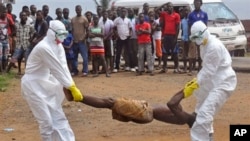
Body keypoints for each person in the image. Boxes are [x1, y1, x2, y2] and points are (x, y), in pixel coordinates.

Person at [21, 20, 83, 141]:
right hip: (32, 85)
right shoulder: (43, 47)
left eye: (64, 35)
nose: (62, 38)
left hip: (46, 84)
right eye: (60, 35)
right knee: (46, 122)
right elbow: (56, 68)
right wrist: (70, 86)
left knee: (58, 117)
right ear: (51, 33)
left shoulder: (58, 46)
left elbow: (63, 66)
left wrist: (72, 85)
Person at [181, 21, 237, 141]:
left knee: (204, 114)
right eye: (194, 38)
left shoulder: (214, 46)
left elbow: (208, 71)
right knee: (200, 106)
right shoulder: (203, 46)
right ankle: (209, 136)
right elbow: (207, 69)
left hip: (223, 82)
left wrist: (195, 83)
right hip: (213, 80)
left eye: (198, 37)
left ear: (205, 32)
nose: (197, 40)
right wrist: (197, 83)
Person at [159, 2, 181, 74]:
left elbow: (178, 27)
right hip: (166, 35)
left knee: (175, 52)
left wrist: (176, 37)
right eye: (168, 6)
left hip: (173, 36)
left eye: (171, 6)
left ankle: (176, 67)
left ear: (173, 7)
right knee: (164, 53)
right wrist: (164, 4)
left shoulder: (176, 15)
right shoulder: (164, 14)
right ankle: (165, 67)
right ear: (167, 7)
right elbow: (156, 10)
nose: (169, 8)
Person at [188, 0, 208, 72]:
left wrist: (205, 35)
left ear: (201, 4)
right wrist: (190, 36)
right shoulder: (191, 14)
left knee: (201, 52)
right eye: (195, 3)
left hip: (201, 35)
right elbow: (189, 26)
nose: (197, 4)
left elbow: (206, 26)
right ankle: (190, 69)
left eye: (198, 2)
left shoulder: (204, 14)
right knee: (192, 53)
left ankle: (200, 68)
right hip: (194, 35)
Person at [71, 5, 89, 77]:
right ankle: (75, 71)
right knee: (74, 57)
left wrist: (83, 38)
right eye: (77, 9)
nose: (78, 10)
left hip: (82, 42)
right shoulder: (73, 19)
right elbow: (72, 30)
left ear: (81, 10)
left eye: (79, 9)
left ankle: (85, 71)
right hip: (74, 41)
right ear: (75, 10)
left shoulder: (84, 19)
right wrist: (72, 39)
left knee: (85, 57)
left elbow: (87, 31)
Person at [113, 7, 132, 72]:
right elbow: (114, 28)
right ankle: (116, 67)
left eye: (124, 11)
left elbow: (131, 29)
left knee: (129, 52)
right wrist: (116, 35)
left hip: (127, 37)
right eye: (122, 11)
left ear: (126, 12)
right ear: (120, 12)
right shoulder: (117, 20)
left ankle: (129, 66)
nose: (123, 13)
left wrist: (130, 34)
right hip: (119, 38)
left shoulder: (128, 20)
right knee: (118, 53)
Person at [0, 4, 15, 73]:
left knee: (5, 56)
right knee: (0, 56)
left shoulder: (8, 19)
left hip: (6, 40)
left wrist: (10, 35)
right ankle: (1, 70)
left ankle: (4, 69)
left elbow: (14, 26)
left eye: (5, 12)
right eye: (3, 12)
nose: (5, 14)